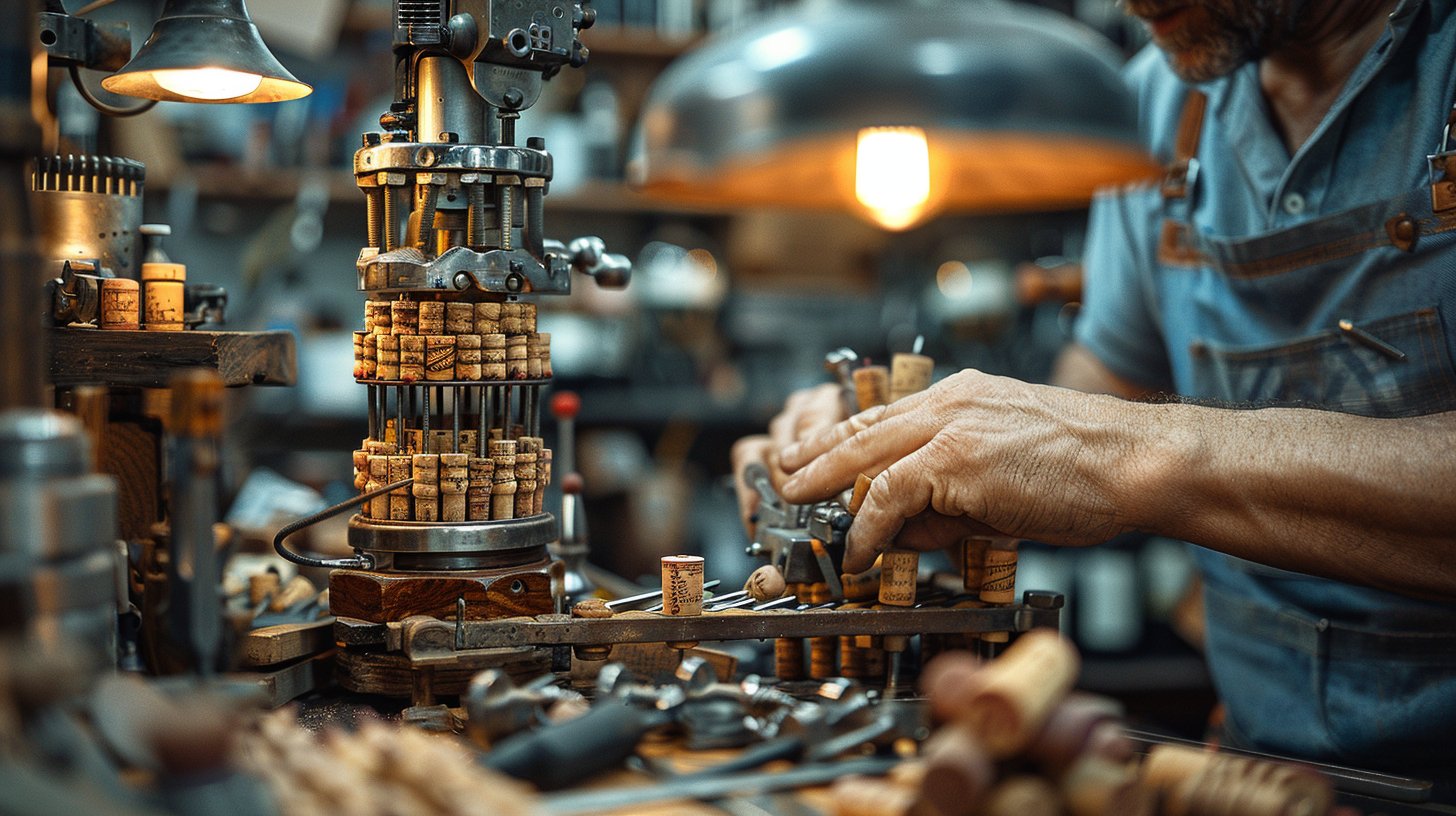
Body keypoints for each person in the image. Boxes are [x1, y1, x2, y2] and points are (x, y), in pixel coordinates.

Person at [733, 0, 1456, 795]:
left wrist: (1122, 454)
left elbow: (1099, 440)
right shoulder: (1153, 99)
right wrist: (898, 434)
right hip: (1251, 773)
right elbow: (1085, 399)